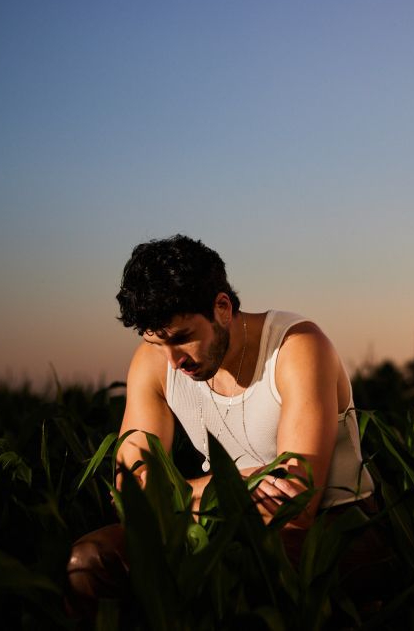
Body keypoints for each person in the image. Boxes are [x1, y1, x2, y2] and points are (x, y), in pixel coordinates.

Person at [65, 235, 380, 619]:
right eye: (156, 342)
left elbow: (295, 506)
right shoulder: (155, 361)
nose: (173, 359)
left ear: (222, 307)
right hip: (214, 521)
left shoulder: (297, 348)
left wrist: (181, 495)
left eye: (183, 338)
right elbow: (132, 494)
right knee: (88, 560)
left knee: (231, 568)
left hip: (339, 526)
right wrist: (234, 484)